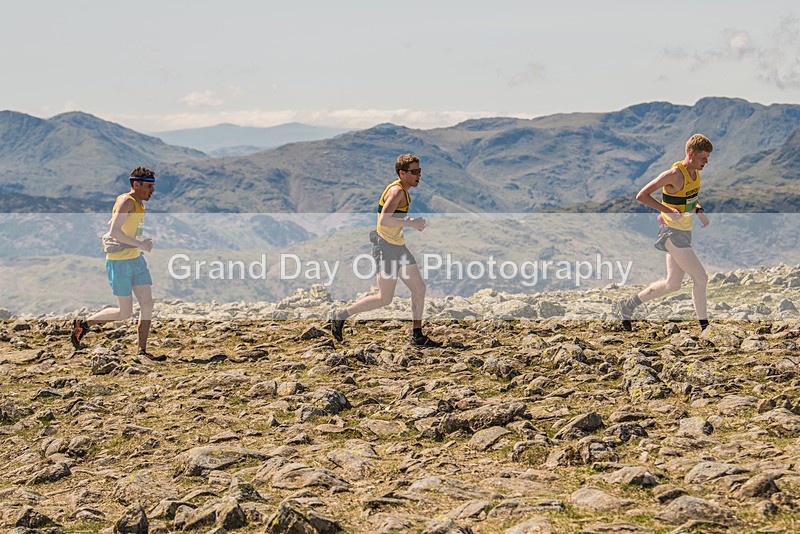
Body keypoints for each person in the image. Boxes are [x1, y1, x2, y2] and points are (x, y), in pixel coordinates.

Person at [330, 154, 442, 347]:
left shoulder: (404, 191)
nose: (419, 175)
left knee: (419, 288)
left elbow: (392, 219)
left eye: (419, 171)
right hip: (385, 247)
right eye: (414, 171)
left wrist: (410, 223)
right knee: (385, 298)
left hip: (398, 245)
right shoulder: (397, 192)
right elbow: (384, 219)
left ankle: (417, 335)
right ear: (402, 173)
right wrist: (412, 224)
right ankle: (341, 315)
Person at [615, 134, 713, 332]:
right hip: (671, 233)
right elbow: (642, 195)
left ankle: (628, 306)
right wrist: (667, 210)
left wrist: (699, 211)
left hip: (685, 232)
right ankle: (705, 328)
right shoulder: (674, 174)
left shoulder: (695, 173)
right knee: (701, 278)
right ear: (691, 153)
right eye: (703, 157)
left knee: (672, 284)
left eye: (708, 158)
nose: (706, 162)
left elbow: (689, 198)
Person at [70, 167, 163, 360]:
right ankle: (84, 324)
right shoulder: (126, 201)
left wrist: (137, 245)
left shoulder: (139, 203)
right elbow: (113, 231)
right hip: (120, 263)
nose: (152, 190)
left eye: (153, 186)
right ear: (136, 184)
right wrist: (141, 244)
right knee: (124, 312)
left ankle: (142, 352)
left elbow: (113, 225)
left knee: (147, 303)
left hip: (136, 259)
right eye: (149, 186)